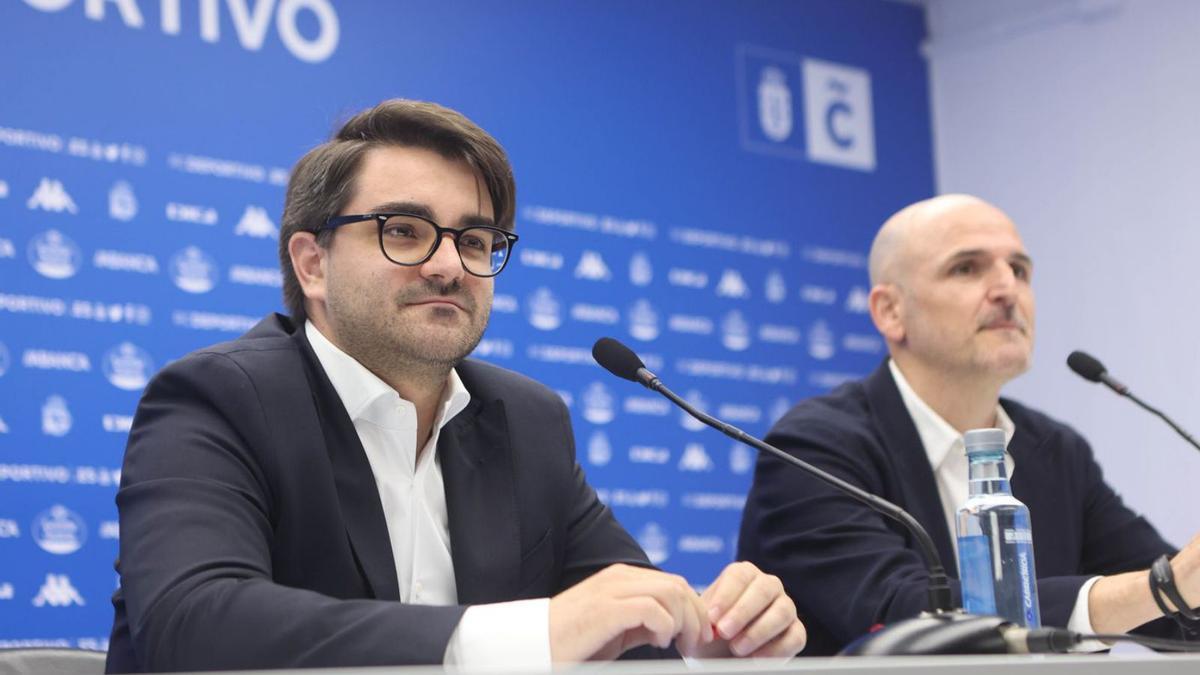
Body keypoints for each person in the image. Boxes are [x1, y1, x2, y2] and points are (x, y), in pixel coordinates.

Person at [105, 100, 806, 672]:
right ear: (312, 264)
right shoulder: (218, 399)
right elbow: (193, 626)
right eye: (404, 231)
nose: (449, 265)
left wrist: (706, 637)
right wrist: (513, 636)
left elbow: (624, 613)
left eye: (475, 241)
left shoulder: (526, 421)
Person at [737, 194, 1199, 655]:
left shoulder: (1056, 451)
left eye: (1019, 270)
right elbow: (906, 616)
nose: (1006, 289)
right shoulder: (813, 449)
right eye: (967, 268)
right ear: (890, 312)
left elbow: (1174, 615)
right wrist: (1164, 587)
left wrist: (1181, 591)